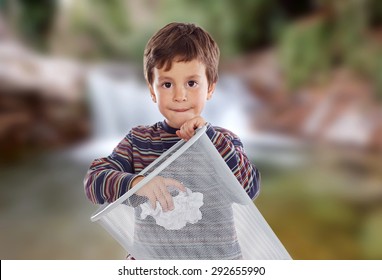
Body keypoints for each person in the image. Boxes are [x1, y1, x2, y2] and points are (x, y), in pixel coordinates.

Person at [84, 22, 261, 259]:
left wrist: (209, 138)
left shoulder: (224, 141)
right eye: (167, 84)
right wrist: (137, 183)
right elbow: (93, 182)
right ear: (152, 90)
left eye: (192, 83)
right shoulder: (139, 142)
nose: (180, 96)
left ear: (210, 88)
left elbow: (248, 189)